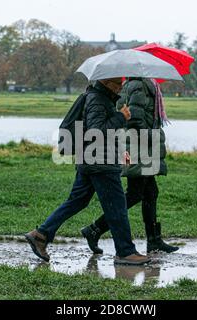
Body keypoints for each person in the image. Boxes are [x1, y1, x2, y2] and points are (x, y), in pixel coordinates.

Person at [25, 78, 151, 266]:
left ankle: (41, 234)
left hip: (93, 160)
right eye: (117, 83)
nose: (120, 87)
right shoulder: (98, 99)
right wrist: (120, 117)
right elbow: (97, 131)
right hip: (101, 163)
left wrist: (119, 150)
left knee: (77, 201)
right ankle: (125, 252)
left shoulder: (100, 98)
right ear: (106, 82)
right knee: (116, 208)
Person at [81, 78, 179, 254]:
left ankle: (154, 240)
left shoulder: (147, 86)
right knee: (135, 194)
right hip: (138, 146)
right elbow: (134, 120)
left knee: (150, 192)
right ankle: (95, 229)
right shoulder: (138, 86)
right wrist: (155, 135)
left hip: (144, 147)